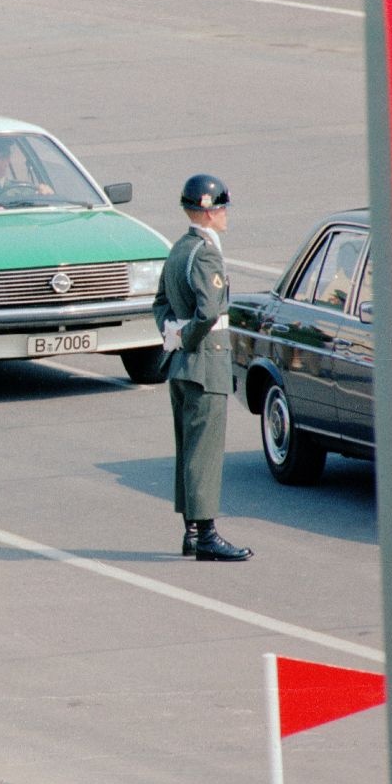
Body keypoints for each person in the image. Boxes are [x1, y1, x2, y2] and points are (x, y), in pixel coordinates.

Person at [152, 174, 253, 562]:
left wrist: (174, 334)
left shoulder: (180, 248)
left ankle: (192, 532)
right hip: (205, 361)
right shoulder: (207, 252)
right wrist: (191, 336)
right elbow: (210, 311)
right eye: (222, 207)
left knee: (189, 450)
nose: (226, 214)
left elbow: (160, 303)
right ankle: (207, 534)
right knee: (205, 452)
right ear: (209, 212)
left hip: (182, 363)